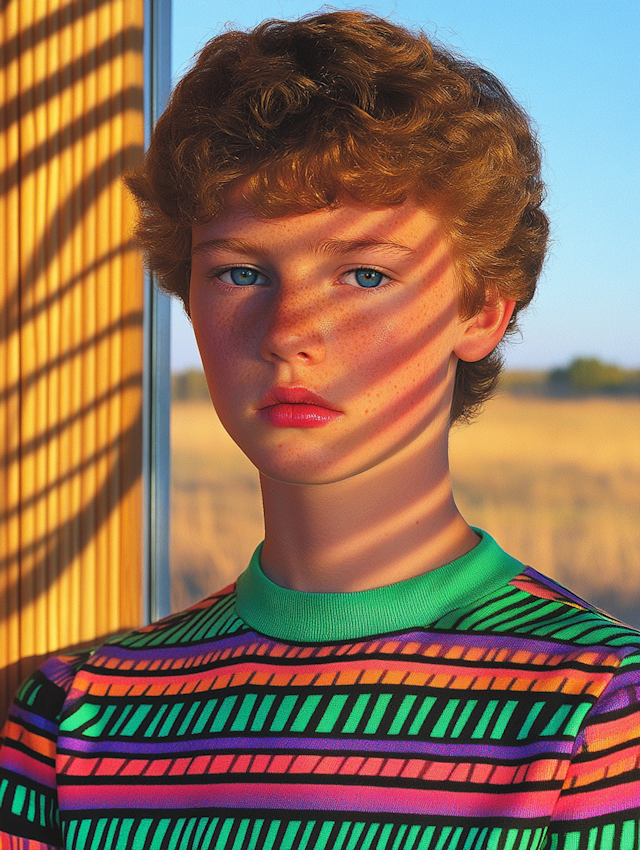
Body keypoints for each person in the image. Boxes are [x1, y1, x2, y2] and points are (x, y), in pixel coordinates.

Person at [1, 11, 639, 850]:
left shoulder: (600, 718)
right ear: (188, 301)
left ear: (483, 309)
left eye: (366, 273)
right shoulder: (71, 717)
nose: (288, 329)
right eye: (241, 272)